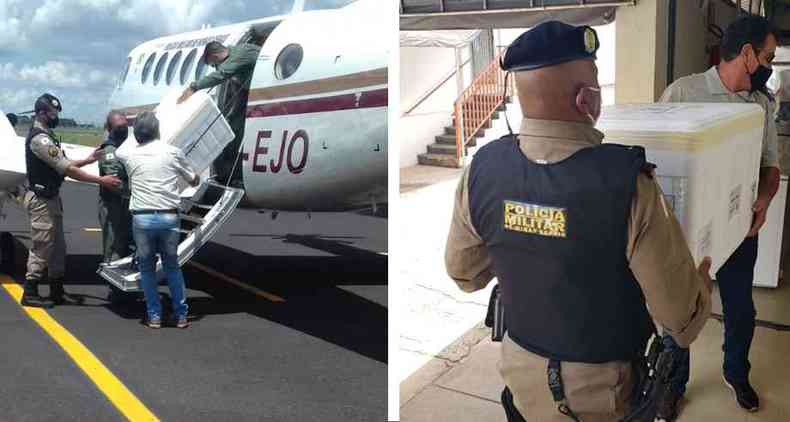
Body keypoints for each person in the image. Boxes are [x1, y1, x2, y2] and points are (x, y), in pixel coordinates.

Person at [444, 22, 713, 421]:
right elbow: (680, 321)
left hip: (521, 381)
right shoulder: (629, 183)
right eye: (597, 82)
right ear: (586, 99)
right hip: (603, 393)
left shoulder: (482, 169)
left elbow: (464, 274)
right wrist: (702, 286)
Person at [657, 14, 781, 416]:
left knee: (741, 308)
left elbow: (771, 167)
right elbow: (656, 158)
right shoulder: (683, 92)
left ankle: (736, 372)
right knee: (679, 310)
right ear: (746, 55)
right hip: (685, 232)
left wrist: (762, 200)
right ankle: (673, 382)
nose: (769, 65)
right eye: (767, 56)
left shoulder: (761, 104)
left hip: (740, 227)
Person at [22, 93, 121, 308]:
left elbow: (65, 163)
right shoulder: (40, 140)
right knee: (42, 246)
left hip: (51, 199)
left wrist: (89, 159)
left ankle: (57, 291)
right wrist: (100, 180)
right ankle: (30, 292)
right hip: (41, 201)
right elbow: (67, 169)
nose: (55, 116)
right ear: (41, 113)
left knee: (58, 247)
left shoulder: (47, 136)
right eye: (52, 112)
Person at [116, 111, 200, 329]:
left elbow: (119, 151)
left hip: (142, 218)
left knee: (147, 269)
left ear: (137, 134)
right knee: (172, 267)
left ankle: (154, 315)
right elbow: (193, 179)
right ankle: (181, 315)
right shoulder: (173, 152)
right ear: (157, 130)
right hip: (169, 217)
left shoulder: (128, 155)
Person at [177, 40, 261, 187]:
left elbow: (222, 74)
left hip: (256, 92)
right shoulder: (234, 55)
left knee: (232, 132)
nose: (215, 67)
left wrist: (194, 87)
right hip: (245, 90)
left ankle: (231, 176)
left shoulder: (240, 54)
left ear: (215, 56)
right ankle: (227, 174)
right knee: (229, 128)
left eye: (212, 64)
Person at [97, 111, 136, 304]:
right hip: (113, 205)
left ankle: (122, 287)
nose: (124, 129)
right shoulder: (110, 151)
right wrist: (137, 192)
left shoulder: (124, 148)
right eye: (120, 127)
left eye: (126, 125)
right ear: (110, 129)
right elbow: (114, 182)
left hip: (124, 205)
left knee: (125, 244)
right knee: (113, 246)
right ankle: (114, 290)